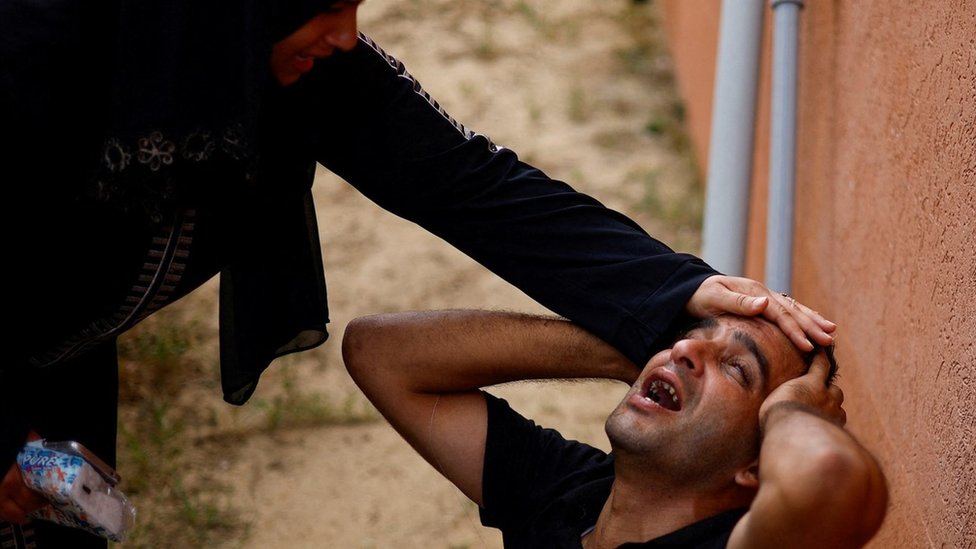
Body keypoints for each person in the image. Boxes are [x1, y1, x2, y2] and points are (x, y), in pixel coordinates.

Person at [0, 1, 836, 546]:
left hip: (59, 354)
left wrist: (666, 295)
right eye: (326, 7)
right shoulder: (37, 48)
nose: (347, 35)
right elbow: (384, 353)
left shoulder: (293, 61)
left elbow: (468, 182)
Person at [343, 309, 888, 548]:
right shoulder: (570, 492)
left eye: (737, 368)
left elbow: (830, 477)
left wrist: (794, 410)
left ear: (756, 464)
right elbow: (379, 351)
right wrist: (630, 352)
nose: (685, 348)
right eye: (692, 336)